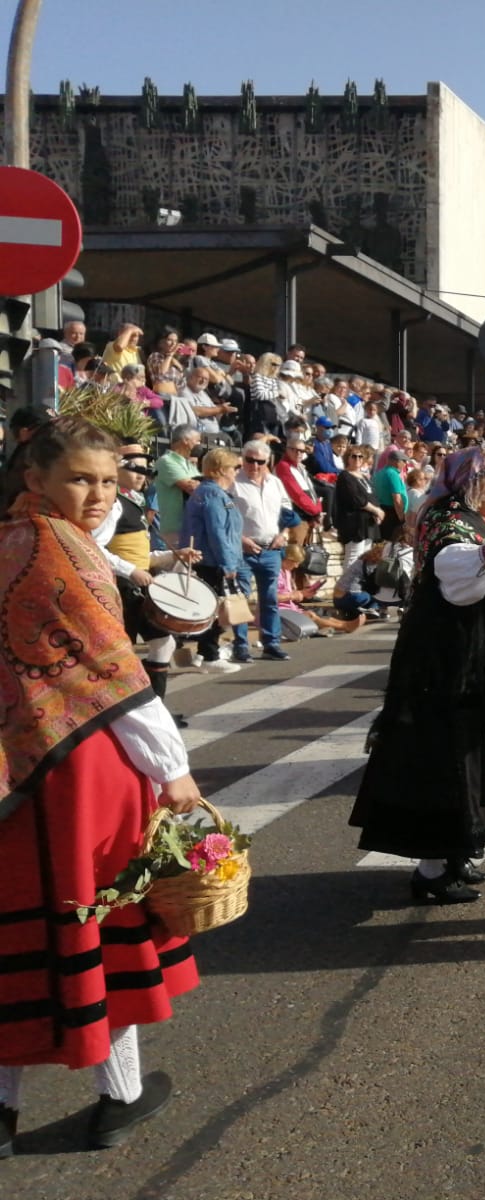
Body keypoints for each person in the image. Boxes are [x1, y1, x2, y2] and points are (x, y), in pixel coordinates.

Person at [0, 417, 202, 1153]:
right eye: (81, 479)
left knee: (19, 933)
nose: (97, 494)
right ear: (37, 481)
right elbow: (117, 671)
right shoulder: (64, 551)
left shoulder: (12, 539)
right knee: (99, 922)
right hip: (84, 762)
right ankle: (120, 1094)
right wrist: (173, 771)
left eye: (110, 480)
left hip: (12, 766)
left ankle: (3, 1111)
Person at [349, 444, 485, 903]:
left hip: (473, 658)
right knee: (442, 756)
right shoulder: (446, 519)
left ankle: (456, 852)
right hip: (445, 662)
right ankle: (431, 870)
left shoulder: (473, 521)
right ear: (474, 483)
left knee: (471, 752)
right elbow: (456, 572)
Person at [92, 442, 201, 725]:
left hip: (135, 586)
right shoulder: (113, 504)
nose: (142, 474)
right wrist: (130, 571)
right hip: (119, 587)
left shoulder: (133, 502)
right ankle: (120, 717)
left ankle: (156, 713)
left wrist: (172, 556)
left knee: (163, 643)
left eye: (145, 469)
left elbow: (140, 554)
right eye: (134, 468)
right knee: (120, 654)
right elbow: (93, 546)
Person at [180, 447, 251, 671]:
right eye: (234, 467)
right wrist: (228, 564)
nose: (236, 472)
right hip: (213, 561)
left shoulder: (213, 493)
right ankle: (210, 655)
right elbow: (217, 531)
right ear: (221, 470)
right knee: (220, 608)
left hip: (215, 559)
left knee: (216, 607)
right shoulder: (212, 494)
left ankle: (205, 652)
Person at [232, 439, 295, 662]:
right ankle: (240, 646)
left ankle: (271, 643)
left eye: (260, 461)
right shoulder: (233, 482)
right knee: (240, 599)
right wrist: (240, 539)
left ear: (267, 461)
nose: (255, 465)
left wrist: (284, 534)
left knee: (269, 599)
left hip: (270, 549)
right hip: (242, 549)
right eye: (250, 460)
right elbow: (224, 518)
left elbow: (287, 512)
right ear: (243, 459)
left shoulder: (275, 483)